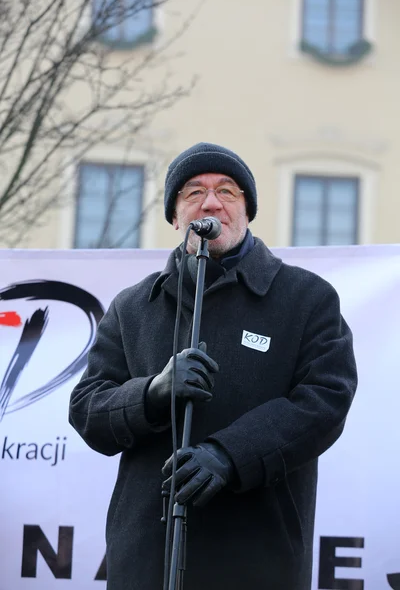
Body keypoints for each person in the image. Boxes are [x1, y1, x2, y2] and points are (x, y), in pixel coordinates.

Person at [69, 142, 358, 590]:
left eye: (228, 191)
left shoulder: (307, 299)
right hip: (147, 558)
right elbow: (86, 408)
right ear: (174, 215)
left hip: (259, 557)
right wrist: (151, 393)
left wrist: (228, 454)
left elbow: (325, 400)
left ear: (247, 211)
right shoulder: (132, 307)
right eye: (193, 192)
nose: (211, 202)